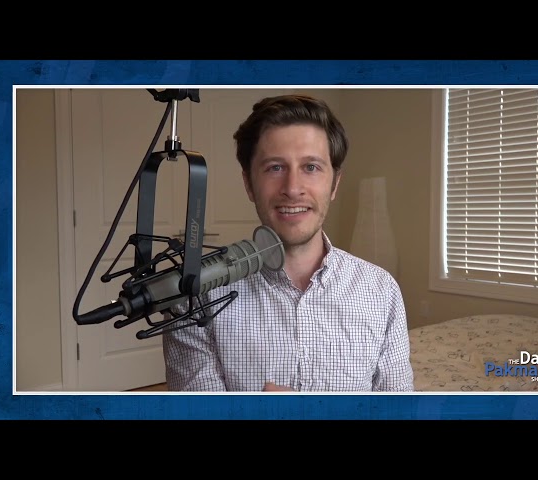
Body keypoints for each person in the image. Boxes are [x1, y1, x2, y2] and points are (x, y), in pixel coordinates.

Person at [162, 94, 414, 392]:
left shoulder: (382, 291)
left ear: (334, 184)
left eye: (311, 167)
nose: (293, 189)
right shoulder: (196, 296)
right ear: (249, 183)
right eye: (275, 168)